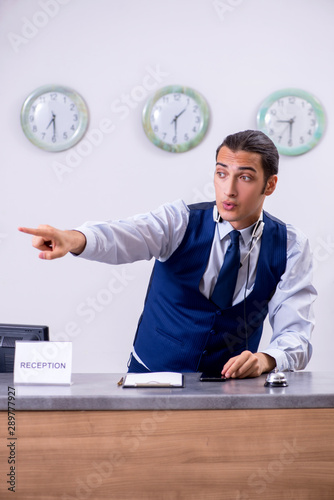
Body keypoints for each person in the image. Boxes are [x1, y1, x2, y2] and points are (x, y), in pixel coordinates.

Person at [19, 130, 316, 378]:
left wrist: (267, 359)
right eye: (221, 173)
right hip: (150, 377)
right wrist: (73, 239)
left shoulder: (290, 246)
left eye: (245, 178)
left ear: (270, 184)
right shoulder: (179, 222)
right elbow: (123, 234)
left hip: (229, 388)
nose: (229, 190)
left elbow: (296, 333)